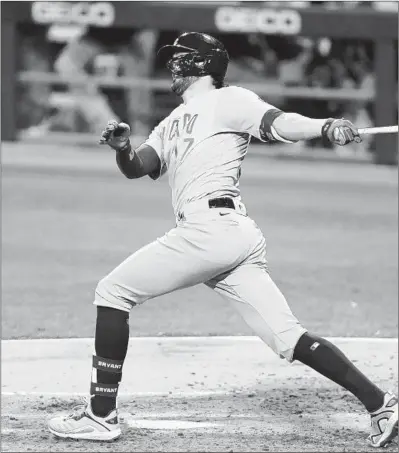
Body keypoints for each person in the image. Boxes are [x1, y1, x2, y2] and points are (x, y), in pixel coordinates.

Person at [47, 32, 398, 448]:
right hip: (230, 236)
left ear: (197, 64)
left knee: (112, 292)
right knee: (288, 338)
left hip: (209, 231)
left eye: (178, 59)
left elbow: (278, 121)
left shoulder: (230, 100)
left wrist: (325, 125)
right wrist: (123, 149)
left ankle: (100, 415)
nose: (171, 67)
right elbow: (139, 166)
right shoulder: (173, 120)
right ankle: (382, 405)